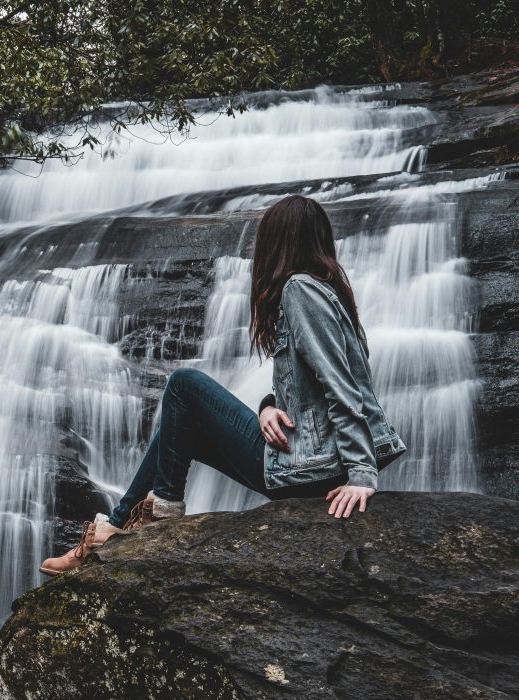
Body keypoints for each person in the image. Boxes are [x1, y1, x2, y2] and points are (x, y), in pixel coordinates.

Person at [41, 194, 407, 576]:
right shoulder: (327, 292)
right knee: (181, 427)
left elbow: (339, 383)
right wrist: (268, 406)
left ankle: (155, 516)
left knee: (184, 383)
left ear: (278, 243)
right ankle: (114, 528)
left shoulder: (300, 289)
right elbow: (306, 386)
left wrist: (361, 474)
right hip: (313, 460)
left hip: (312, 468)